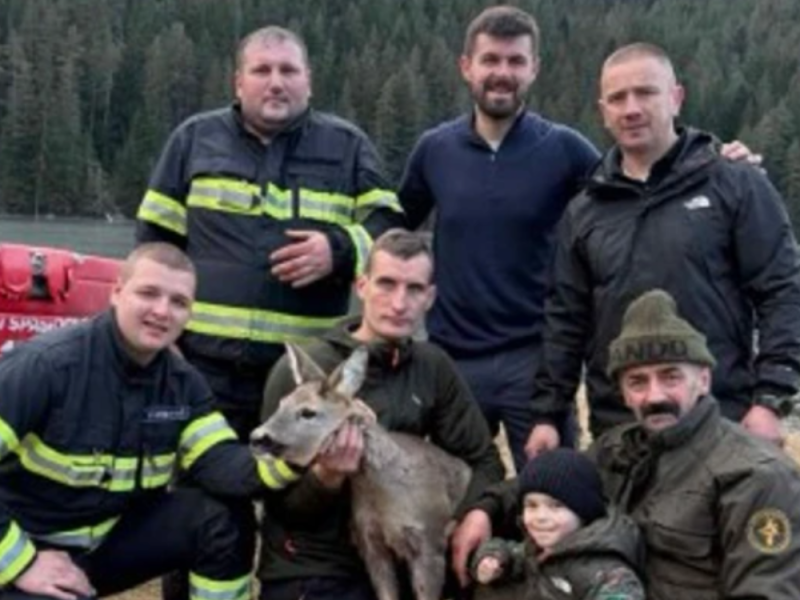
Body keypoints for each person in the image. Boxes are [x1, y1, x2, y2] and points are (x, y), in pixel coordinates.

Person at [398, 7, 756, 471]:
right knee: (455, 490)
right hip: (453, 358)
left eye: (515, 61)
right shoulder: (434, 150)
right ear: (467, 66)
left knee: (552, 493)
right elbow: (394, 226)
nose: (502, 73)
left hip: (537, 359)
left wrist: (716, 160)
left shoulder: (564, 149)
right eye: (490, 60)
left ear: (534, 69)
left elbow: (635, 187)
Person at [526, 42, 800, 457]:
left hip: (722, 421)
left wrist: (770, 401)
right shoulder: (584, 211)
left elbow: (782, 290)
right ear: (603, 111)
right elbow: (566, 320)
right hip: (620, 430)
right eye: (617, 98)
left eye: (645, 92)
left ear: (676, 97)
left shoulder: (735, 184)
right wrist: (548, 415)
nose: (631, 108)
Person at [135, 25, 403, 440]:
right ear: (238, 82)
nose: (276, 82)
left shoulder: (348, 146)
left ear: (308, 82)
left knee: (299, 499)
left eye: (288, 71)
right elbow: (154, 248)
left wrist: (339, 248)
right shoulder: (193, 139)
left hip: (304, 377)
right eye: (262, 70)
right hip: (201, 366)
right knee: (202, 490)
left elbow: (389, 228)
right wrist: (159, 337)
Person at [454, 289, 800, 599]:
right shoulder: (615, 448)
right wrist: (485, 509)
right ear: (622, 391)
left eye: (670, 376)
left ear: (704, 380)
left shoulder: (756, 476)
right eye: (637, 381)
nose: (654, 396)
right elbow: (554, 482)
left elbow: (766, 590)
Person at [0, 243, 299, 600]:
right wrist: (22, 563)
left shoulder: (183, 384)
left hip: (107, 544)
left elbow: (223, 464)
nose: (162, 311)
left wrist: (297, 453)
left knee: (221, 518)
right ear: (116, 292)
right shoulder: (45, 368)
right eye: (148, 293)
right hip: (27, 547)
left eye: (179, 302)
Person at [258, 229, 505, 600]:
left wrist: (477, 513)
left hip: (408, 554)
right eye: (386, 284)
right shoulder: (310, 374)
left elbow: (483, 459)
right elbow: (277, 501)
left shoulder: (430, 366)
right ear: (361, 286)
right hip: (319, 563)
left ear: (430, 298)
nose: (399, 303)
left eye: (414, 289)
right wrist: (326, 477)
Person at [470, 449, 644, 600]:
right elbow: (510, 551)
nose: (540, 516)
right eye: (531, 505)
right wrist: (493, 558)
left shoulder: (605, 571)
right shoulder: (537, 550)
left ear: (583, 512)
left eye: (556, 506)